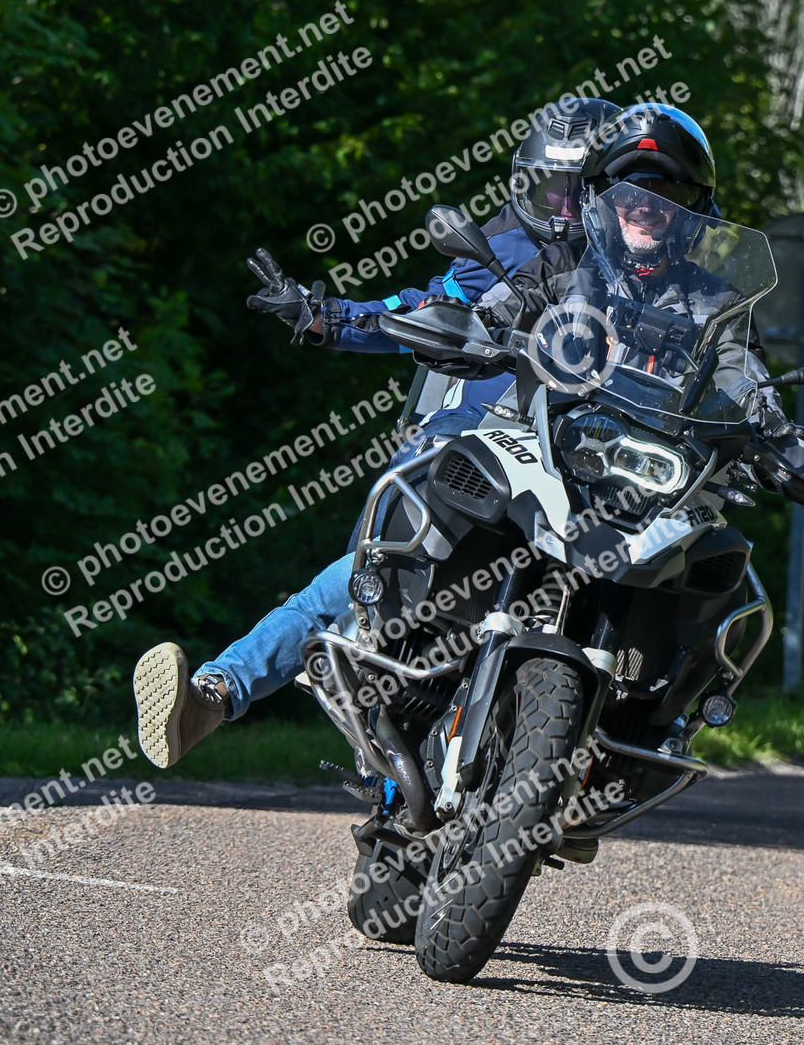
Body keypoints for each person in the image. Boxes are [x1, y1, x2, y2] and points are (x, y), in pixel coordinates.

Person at [130, 97, 619, 768]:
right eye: (549, 189)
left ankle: (619, 738)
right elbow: (419, 306)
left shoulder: (646, 267)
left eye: (579, 190)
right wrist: (322, 315)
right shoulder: (499, 249)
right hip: (489, 444)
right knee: (370, 566)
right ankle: (217, 695)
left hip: (593, 462)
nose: (563, 209)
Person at [484, 102, 803, 441]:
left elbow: (743, 379)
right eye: (628, 191)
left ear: (694, 205)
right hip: (541, 441)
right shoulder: (561, 267)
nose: (645, 206)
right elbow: (495, 311)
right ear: (600, 197)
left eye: (665, 190)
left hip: (661, 461)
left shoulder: (719, 303)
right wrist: (465, 325)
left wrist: (776, 430)